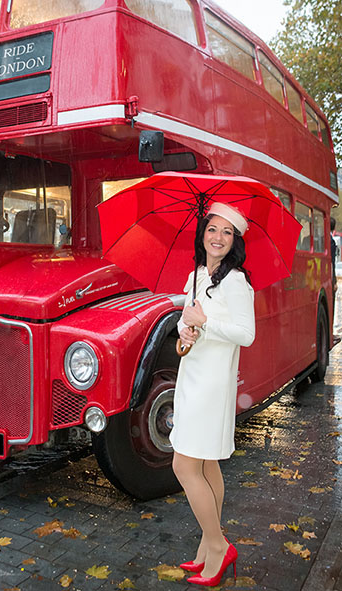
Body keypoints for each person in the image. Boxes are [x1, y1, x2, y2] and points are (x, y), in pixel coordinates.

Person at [169, 202, 255, 587]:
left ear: (234, 241)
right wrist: (184, 335)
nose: (218, 237)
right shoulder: (196, 275)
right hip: (192, 376)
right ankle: (209, 545)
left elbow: (246, 333)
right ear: (202, 234)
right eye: (212, 230)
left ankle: (218, 546)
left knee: (183, 466)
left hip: (212, 384)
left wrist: (207, 321)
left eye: (227, 232)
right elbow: (186, 335)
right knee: (205, 465)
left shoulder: (236, 281)